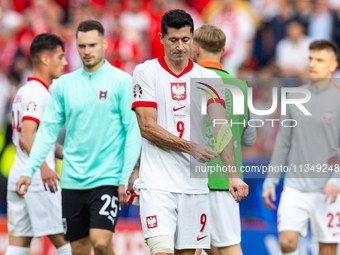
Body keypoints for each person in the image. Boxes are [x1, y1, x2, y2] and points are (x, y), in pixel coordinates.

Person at [16, 20, 141, 255]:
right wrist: (28, 170)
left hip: (107, 178)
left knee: (101, 243)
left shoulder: (122, 81)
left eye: (92, 45)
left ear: (104, 44)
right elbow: (47, 133)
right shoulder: (65, 84)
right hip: (73, 180)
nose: (87, 51)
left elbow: (132, 131)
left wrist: (125, 176)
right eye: (82, 46)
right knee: (79, 249)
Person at [131, 9, 248, 255]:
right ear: (161, 37)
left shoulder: (208, 77)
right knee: (161, 251)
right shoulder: (145, 72)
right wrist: (190, 147)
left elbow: (220, 127)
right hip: (157, 183)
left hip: (195, 186)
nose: (180, 46)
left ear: (193, 39)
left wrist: (233, 176)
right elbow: (147, 126)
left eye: (186, 39)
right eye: (173, 40)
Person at [262, 40, 340, 255]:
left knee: (327, 248)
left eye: (320, 60)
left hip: (328, 189)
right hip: (294, 186)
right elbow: (283, 142)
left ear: (333, 65)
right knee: (286, 243)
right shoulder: (293, 97)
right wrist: (271, 179)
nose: (313, 64)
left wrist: (336, 180)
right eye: (311, 59)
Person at [192, 24, 256, 255]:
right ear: (224, 49)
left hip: (189, 177)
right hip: (226, 179)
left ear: (195, 48)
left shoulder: (188, 82)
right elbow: (249, 138)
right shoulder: (240, 86)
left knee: (191, 245)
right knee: (229, 245)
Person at [5, 33, 71, 255]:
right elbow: (27, 137)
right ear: (45, 59)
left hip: (19, 172)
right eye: (60, 57)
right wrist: (44, 168)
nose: (65, 62)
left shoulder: (24, 91)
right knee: (66, 240)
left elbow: (37, 139)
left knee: (19, 244)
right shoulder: (38, 94)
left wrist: (65, 154)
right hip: (36, 178)